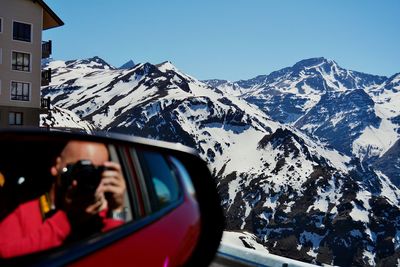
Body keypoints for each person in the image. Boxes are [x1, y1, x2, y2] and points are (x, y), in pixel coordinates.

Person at [0, 140, 126, 258]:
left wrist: (117, 209)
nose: (86, 178)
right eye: (79, 169)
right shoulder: (23, 214)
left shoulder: (102, 215)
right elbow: (5, 255)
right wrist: (68, 219)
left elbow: (117, 257)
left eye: (95, 172)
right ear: (56, 165)